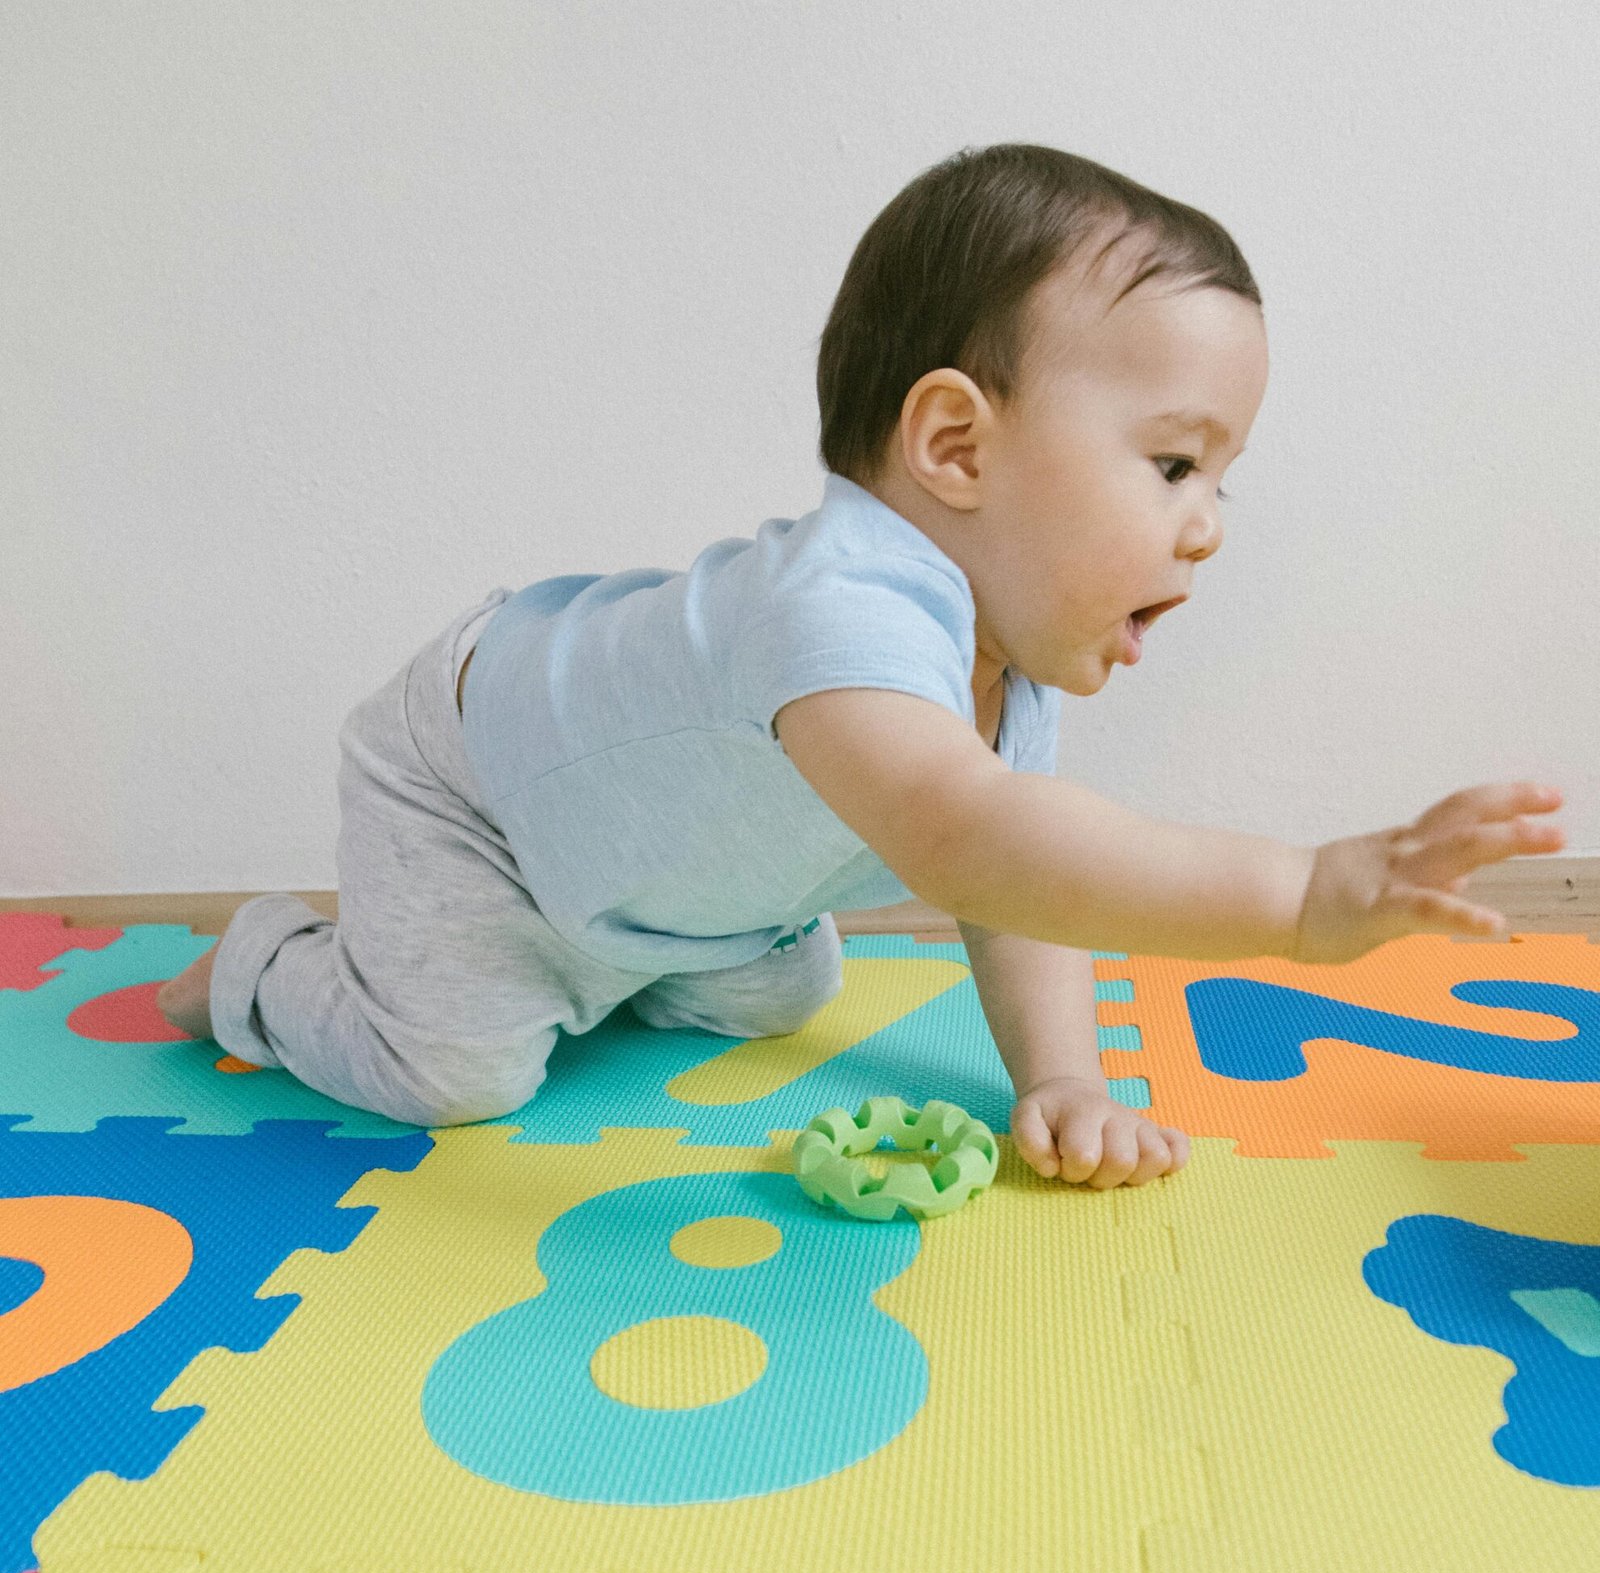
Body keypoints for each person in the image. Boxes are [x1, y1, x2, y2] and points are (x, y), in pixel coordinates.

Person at [158, 142, 1565, 1186]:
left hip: (649, 877)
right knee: (459, 1075)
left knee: (792, 991)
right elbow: (976, 844)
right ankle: (268, 971)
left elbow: (1019, 888)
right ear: (955, 446)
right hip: (478, 802)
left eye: (1224, 481)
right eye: (1176, 461)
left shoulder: (1002, 666)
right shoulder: (836, 604)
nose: (1204, 527)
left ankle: (611, 965)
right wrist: (1302, 895)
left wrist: (1064, 1075)